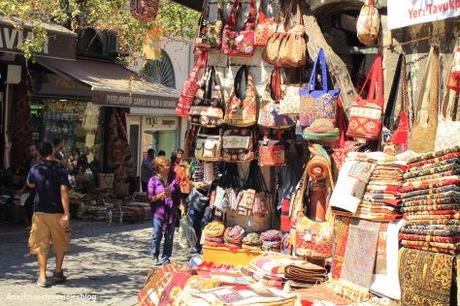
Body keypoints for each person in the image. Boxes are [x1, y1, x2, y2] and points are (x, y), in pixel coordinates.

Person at [27, 141, 71, 288]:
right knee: (60, 243)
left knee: (41, 245)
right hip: (57, 212)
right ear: (52, 151)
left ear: (39, 153)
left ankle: (42, 276)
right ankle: (58, 272)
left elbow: (30, 184)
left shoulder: (35, 168)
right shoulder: (60, 168)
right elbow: (64, 191)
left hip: (40, 212)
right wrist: (67, 213)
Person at [147, 156, 179, 266]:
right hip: (158, 213)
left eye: (168, 165)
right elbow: (150, 198)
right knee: (157, 234)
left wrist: (181, 205)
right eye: (165, 165)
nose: (168, 167)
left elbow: (177, 194)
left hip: (171, 211)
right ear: (159, 167)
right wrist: (162, 195)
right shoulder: (153, 180)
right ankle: (155, 255)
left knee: (169, 236)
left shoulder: (173, 179)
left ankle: (166, 257)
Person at [24, 144, 40, 228]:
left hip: (40, 187)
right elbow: (29, 176)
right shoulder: (31, 161)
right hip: (34, 187)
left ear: (37, 150)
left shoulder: (41, 161)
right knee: (28, 204)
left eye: (33, 150)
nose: (31, 152)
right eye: (30, 151)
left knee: (31, 204)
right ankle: (32, 224)